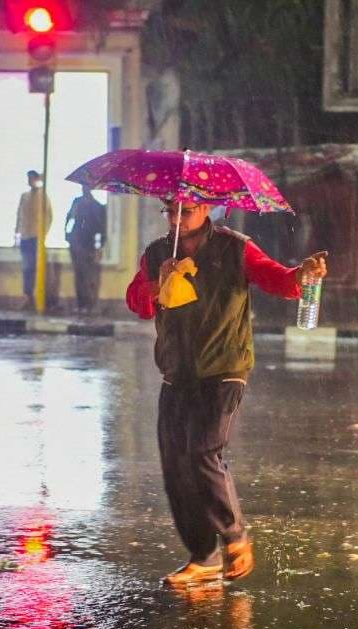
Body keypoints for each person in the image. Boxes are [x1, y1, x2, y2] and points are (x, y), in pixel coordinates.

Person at [126, 198, 328, 588]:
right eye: (170, 211)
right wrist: (157, 283)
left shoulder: (234, 247)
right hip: (176, 372)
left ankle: (234, 535)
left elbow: (278, 281)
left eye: (185, 211)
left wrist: (303, 274)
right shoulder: (156, 253)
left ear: (206, 211)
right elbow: (138, 304)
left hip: (224, 369)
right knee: (176, 467)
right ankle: (203, 557)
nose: (176, 219)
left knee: (203, 450)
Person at [14, 170, 53, 312]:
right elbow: (19, 216)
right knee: (26, 267)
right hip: (25, 236)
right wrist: (17, 234)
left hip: (36, 237)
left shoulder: (43, 196)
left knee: (36, 268)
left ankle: (37, 297)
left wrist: (43, 233)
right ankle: (27, 295)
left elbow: (49, 216)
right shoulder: (24, 197)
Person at [65, 185, 106, 315]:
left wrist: (99, 246)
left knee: (88, 275)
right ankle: (81, 303)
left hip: (88, 243)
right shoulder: (77, 202)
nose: (84, 189)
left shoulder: (97, 206)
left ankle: (88, 304)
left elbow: (101, 228)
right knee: (79, 274)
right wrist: (67, 234)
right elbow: (69, 217)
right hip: (76, 242)